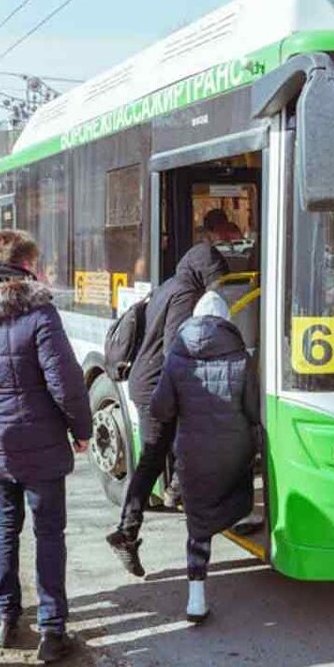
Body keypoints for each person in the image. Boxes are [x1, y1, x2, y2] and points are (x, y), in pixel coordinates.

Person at [0, 230, 91, 663]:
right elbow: (65, 383)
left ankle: (6, 619)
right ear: (27, 265)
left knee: (4, 528)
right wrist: (80, 428)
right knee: (49, 532)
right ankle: (51, 630)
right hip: (42, 442)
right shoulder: (39, 312)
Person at [105, 241, 230, 577]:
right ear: (203, 272)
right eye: (216, 278)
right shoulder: (186, 293)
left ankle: (176, 495)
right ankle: (127, 532)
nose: (216, 286)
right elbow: (176, 346)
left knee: (167, 449)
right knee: (152, 458)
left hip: (146, 381)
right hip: (156, 385)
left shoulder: (168, 286)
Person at [150, 291, 259, 622]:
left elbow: (160, 408)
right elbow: (253, 411)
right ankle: (236, 519)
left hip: (192, 453)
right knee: (235, 490)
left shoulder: (176, 356)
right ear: (226, 321)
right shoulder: (241, 356)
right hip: (234, 451)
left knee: (197, 526)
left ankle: (196, 599)